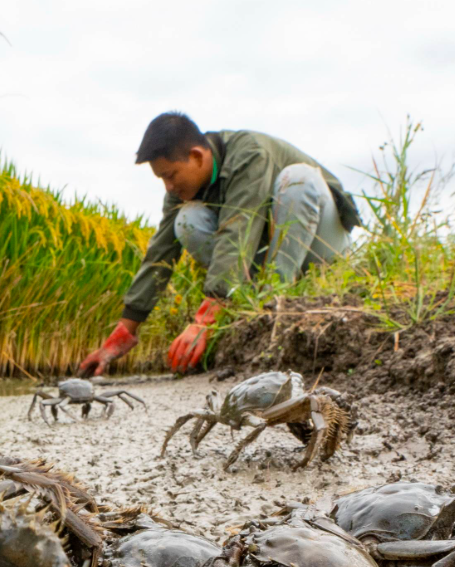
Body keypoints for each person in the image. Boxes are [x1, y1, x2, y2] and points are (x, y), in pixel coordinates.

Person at [79, 112, 361, 376]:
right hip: (265, 258)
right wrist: (124, 332)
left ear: (197, 156)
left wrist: (204, 320)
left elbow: (236, 230)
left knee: (298, 178)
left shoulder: (250, 154)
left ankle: (276, 305)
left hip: (322, 248)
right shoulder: (181, 190)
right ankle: (249, 306)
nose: (168, 186)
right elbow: (160, 253)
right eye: (161, 178)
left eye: (170, 175)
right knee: (186, 219)